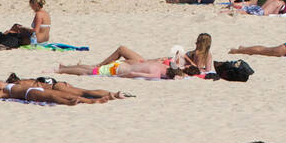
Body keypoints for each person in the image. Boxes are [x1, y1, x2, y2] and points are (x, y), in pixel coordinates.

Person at [56, 46, 190, 80]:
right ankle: (62, 70)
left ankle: (65, 68)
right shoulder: (156, 73)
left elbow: (176, 57)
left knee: (92, 69)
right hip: (122, 68)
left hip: (126, 65)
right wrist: (117, 77)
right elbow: (132, 74)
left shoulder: (164, 65)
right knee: (91, 71)